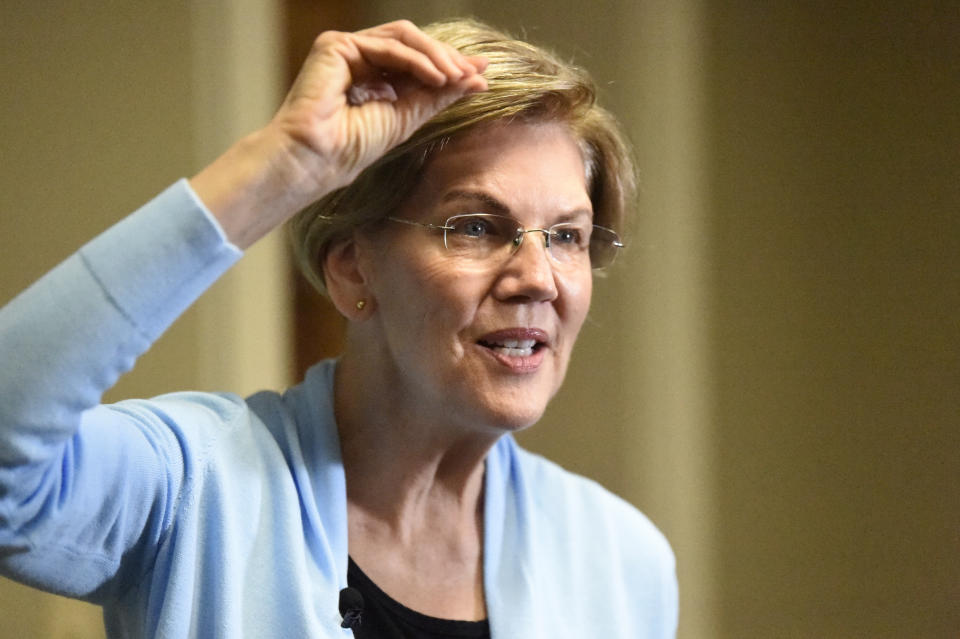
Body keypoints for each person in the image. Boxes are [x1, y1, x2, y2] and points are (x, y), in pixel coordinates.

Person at [0, 17, 677, 639]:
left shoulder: (620, 560)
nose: (539, 277)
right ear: (353, 269)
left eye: (566, 236)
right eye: (475, 226)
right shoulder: (193, 484)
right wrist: (280, 165)